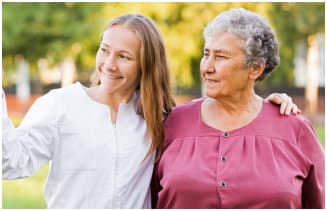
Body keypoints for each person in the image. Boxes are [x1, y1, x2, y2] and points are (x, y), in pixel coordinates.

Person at [3, 13, 298, 209]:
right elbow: (11, 163)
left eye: (124, 56)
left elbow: (220, 118)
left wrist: (264, 104)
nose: (108, 64)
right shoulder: (61, 105)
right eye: (104, 50)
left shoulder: (161, 118)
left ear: (145, 64)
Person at [153, 8, 324, 209]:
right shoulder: (172, 123)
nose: (207, 67)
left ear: (255, 68)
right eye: (206, 54)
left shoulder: (294, 129)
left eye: (221, 57)